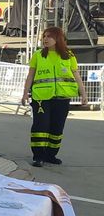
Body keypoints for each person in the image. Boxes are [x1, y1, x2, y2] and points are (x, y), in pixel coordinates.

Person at [21, 27, 88, 167]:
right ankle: (38, 156)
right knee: (41, 126)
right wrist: (25, 93)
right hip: (41, 98)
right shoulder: (38, 55)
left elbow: (76, 75)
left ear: (57, 38)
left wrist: (83, 93)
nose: (45, 39)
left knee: (57, 128)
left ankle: (51, 155)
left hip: (62, 98)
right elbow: (30, 76)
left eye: (49, 36)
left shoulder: (69, 55)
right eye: (44, 36)